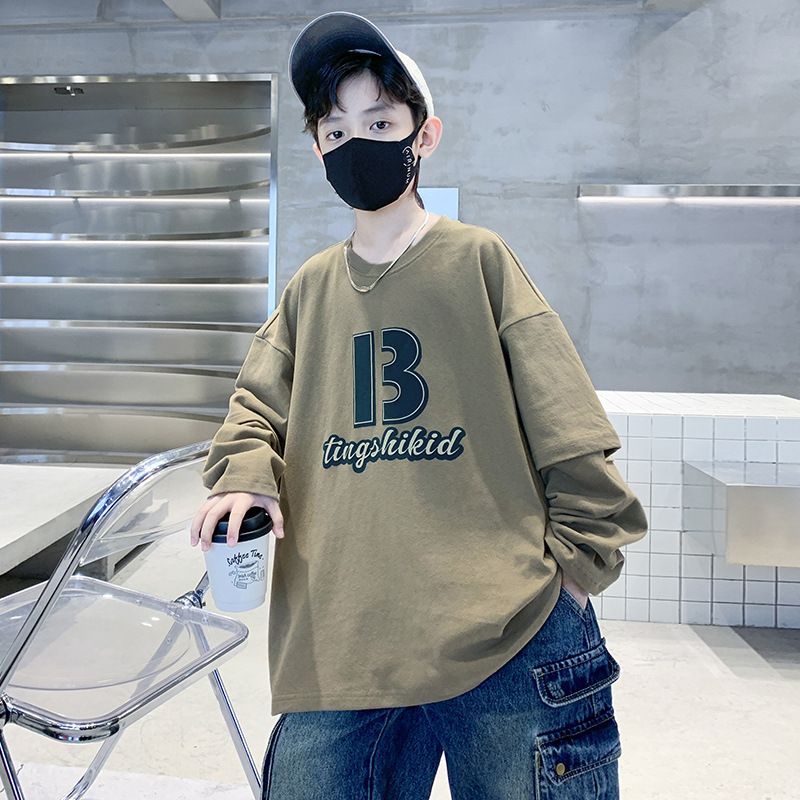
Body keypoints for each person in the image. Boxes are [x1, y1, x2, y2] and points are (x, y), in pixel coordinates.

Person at [190, 11, 648, 800]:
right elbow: (253, 408)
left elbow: (568, 425)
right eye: (336, 131)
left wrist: (576, 570)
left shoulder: (478, 260)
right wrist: (245, 477)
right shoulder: (309, 290)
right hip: (343, 640)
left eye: (379, 123)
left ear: (424, 136)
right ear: (317, 151)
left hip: (506, 631)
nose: (355, 143)